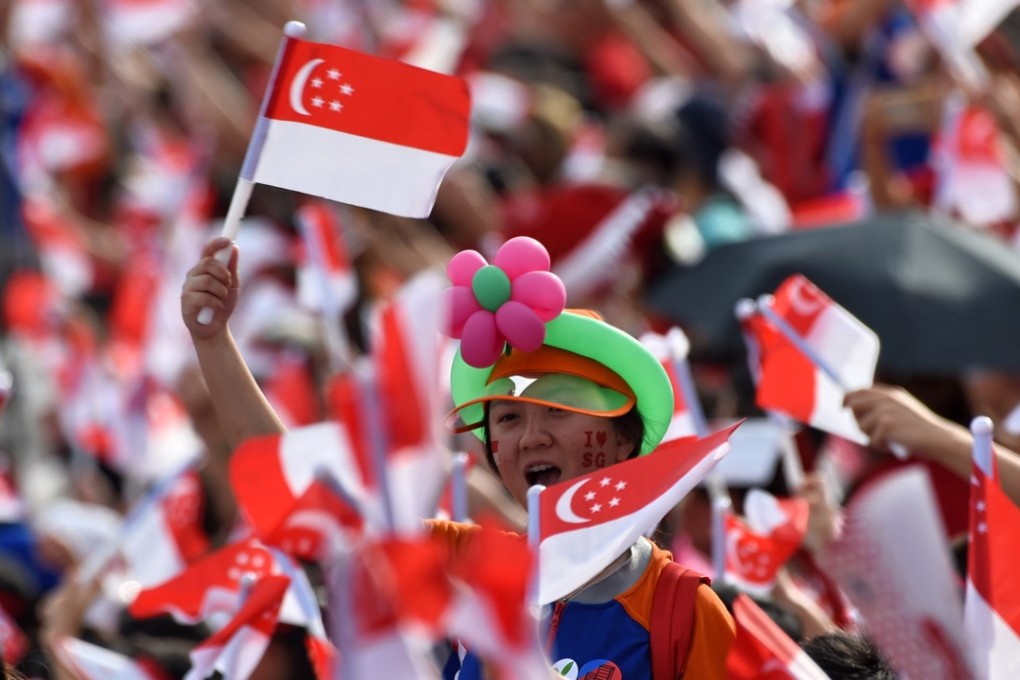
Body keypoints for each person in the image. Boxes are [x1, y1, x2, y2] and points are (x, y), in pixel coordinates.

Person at [181, 236, 735, 678]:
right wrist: (214, 343)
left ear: (621, 440)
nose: (531, 438)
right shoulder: (462, 562)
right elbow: (304, 496)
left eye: (558, 412)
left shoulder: (682, 609)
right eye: (510, 420)